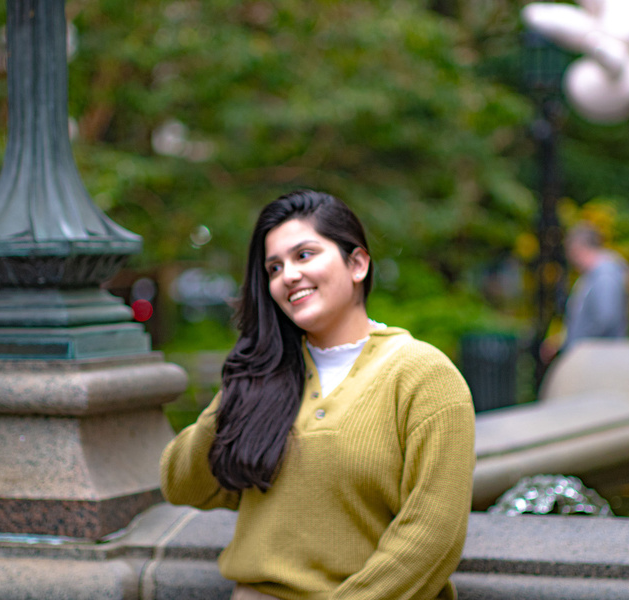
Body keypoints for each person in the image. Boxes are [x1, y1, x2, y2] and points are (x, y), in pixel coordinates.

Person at [160, 190, 475, 600]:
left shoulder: (423, 375)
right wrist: (239, 387)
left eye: (304, 255)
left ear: (357, 263)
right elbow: (183, 486)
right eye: (274, 267)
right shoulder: (265, 378)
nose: (288, 275)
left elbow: (434, 533)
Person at [541, 222, 629, 362]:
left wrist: (579, 344)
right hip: (593, 359)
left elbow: (605, 318)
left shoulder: (605, 276)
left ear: (577, 249)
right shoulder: (592, 276)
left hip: (599, 362)